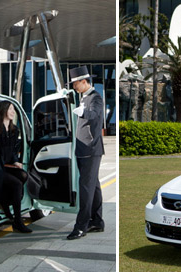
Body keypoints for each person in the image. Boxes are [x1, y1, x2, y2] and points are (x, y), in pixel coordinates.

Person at [0, 101, 32, 233]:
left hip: (7, 165)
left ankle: (4, 202)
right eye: (11, 109)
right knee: (17, 184)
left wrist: (15, 161)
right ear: (3, 110)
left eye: (14, 109)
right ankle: (18, 222)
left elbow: (14, 151)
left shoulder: (15, 130)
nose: (13, 112)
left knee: (24, 176)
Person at [67, 66, 105, 240]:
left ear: (84, 81)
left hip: (90, 149)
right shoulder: (83, 96)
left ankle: (81, 226)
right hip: (85, 149)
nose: (74, 87)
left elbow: (95, 114)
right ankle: (97, 221)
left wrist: (83, 112)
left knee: (86, 189)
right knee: (94, 186)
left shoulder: (95, 97)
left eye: (76, 83)